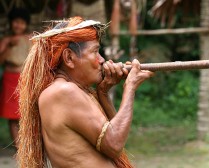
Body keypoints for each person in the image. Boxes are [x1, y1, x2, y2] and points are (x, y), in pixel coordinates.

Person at [17, 16, 153, 168]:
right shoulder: (64, 92)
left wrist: (103, 93)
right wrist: (130, 87)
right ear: (69, 58)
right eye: (95, 52)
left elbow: (117, 136)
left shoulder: (70, 90)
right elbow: (114, 144)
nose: (102, 60)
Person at [0, 8, 30, 148]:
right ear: (11, 23)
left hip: (24, 78)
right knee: (12, 115)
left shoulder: (30, 39)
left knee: (26, 112)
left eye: (22, 23)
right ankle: (18, 146)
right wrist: (7, 46)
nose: (18, 25)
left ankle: (27, 144)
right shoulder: (6, 40)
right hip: (9, 78)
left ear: (26, 24)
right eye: (16, 22)